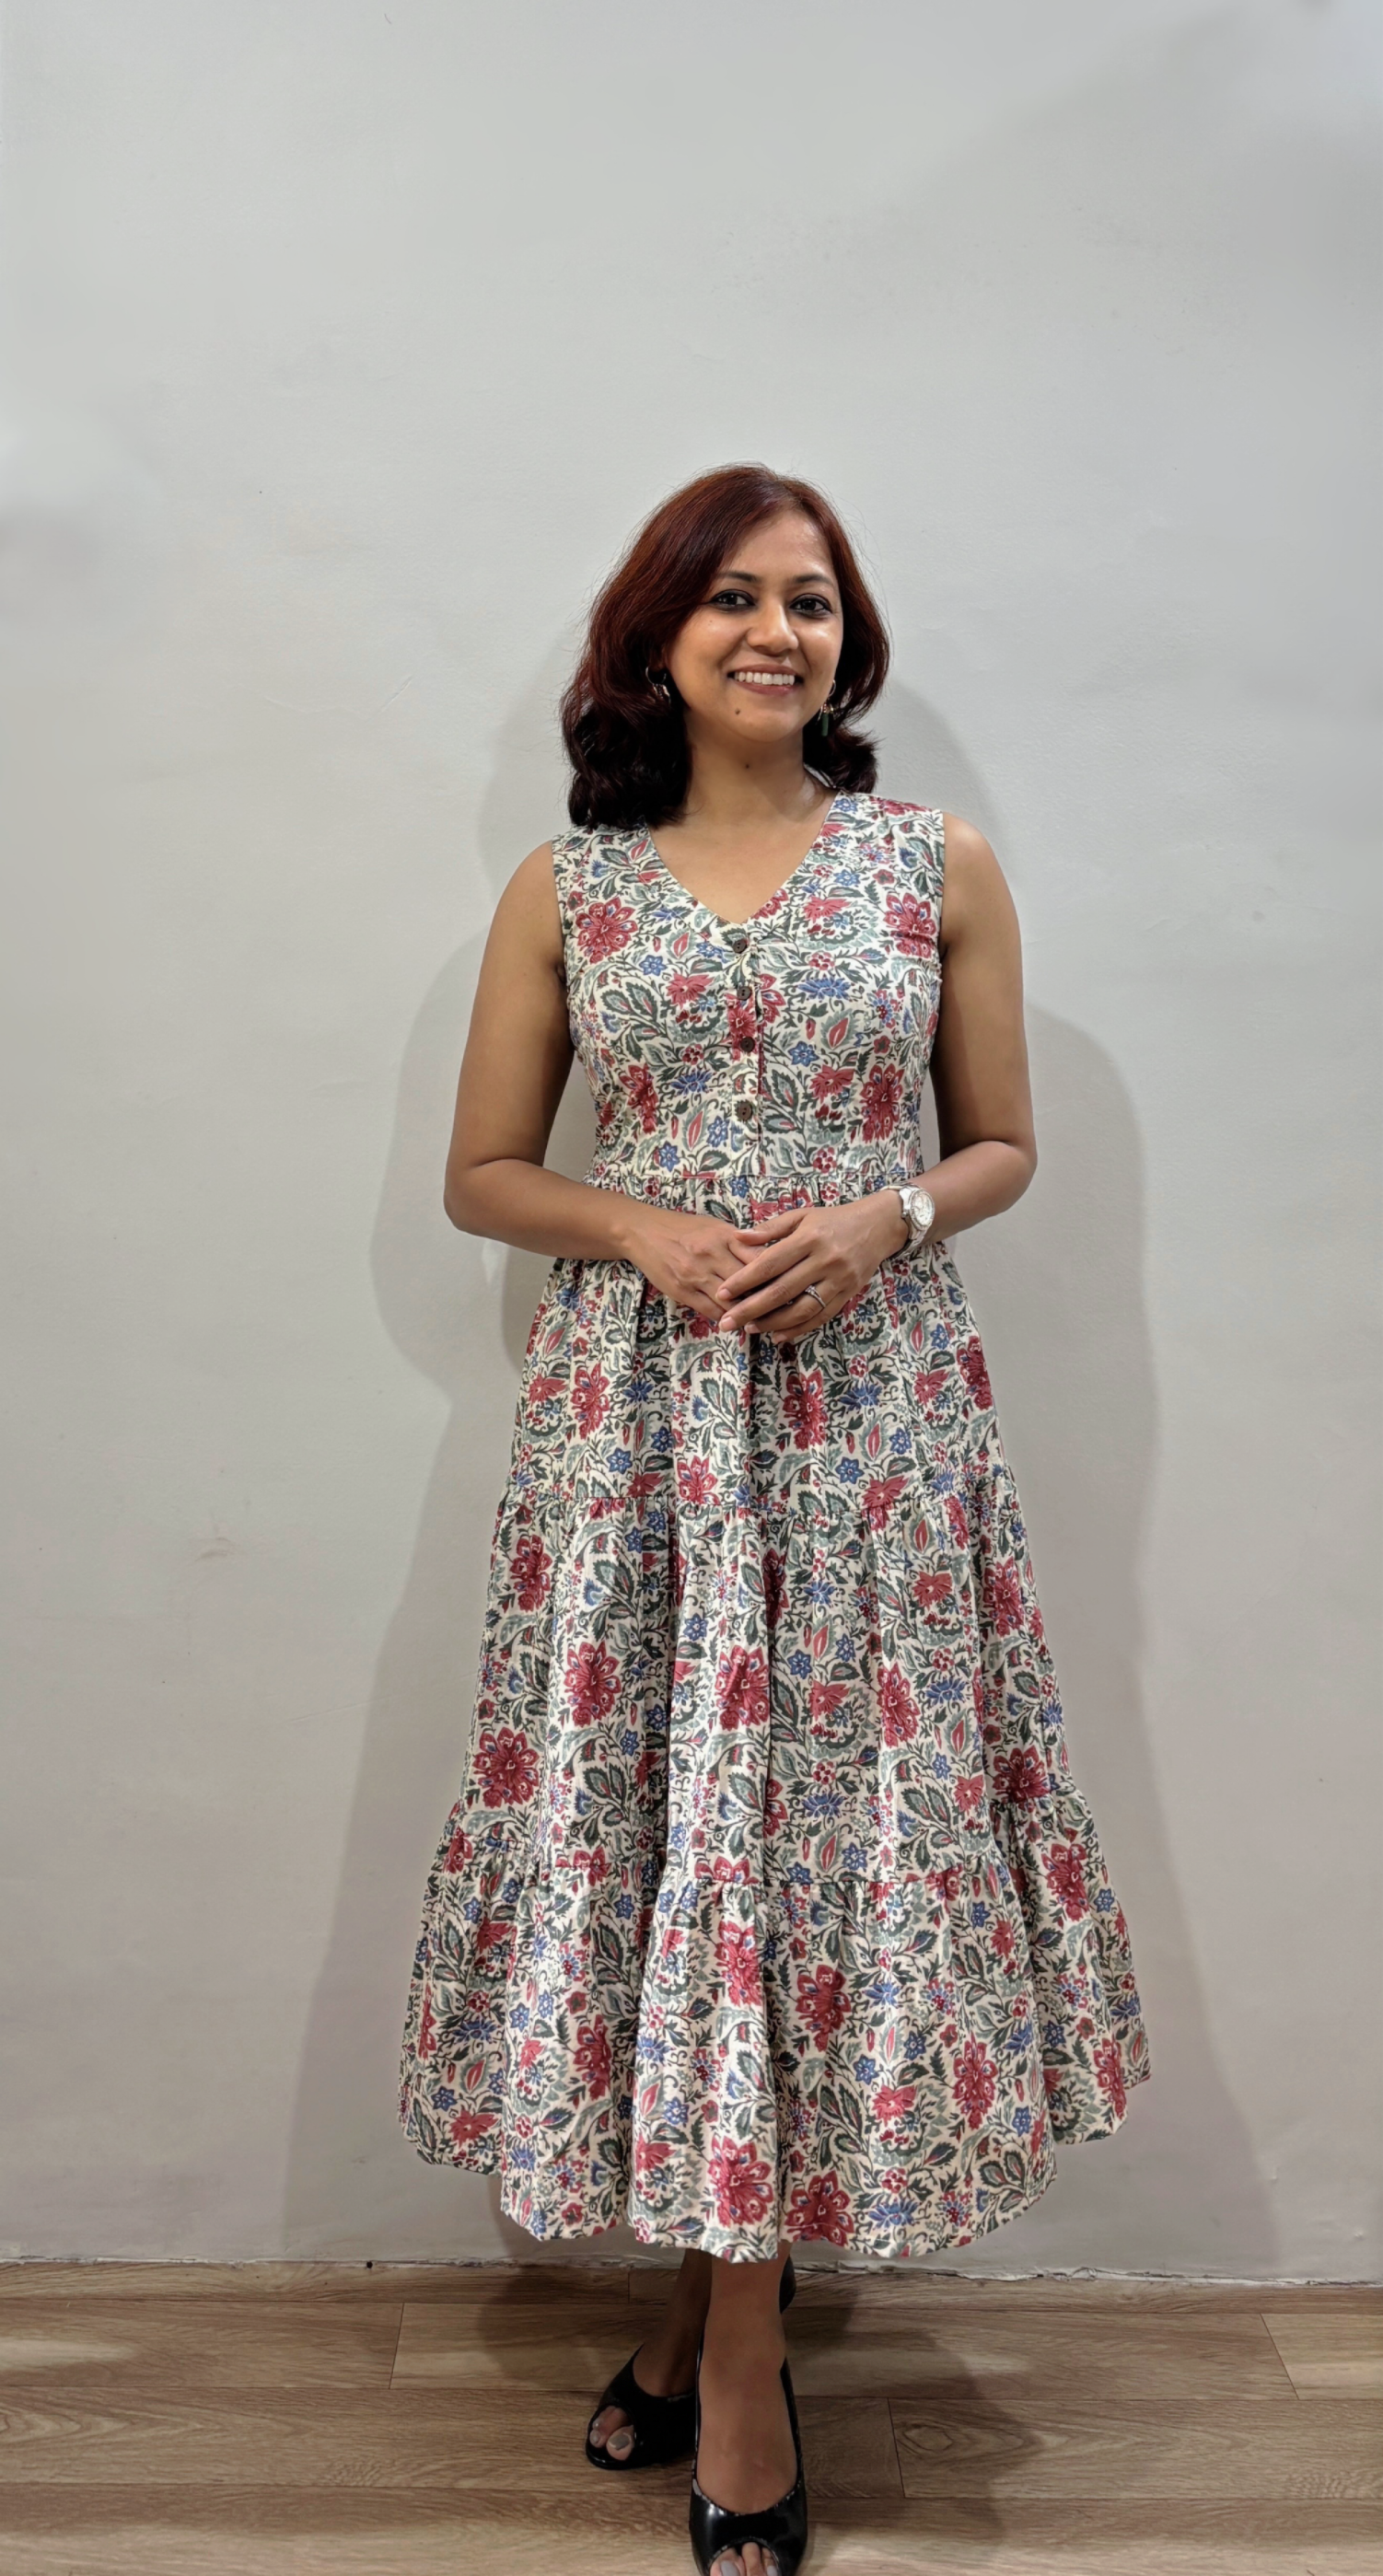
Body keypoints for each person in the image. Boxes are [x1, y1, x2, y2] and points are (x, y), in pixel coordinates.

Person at [399, 463, 1151, 2576]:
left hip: (869, 1418)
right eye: (729, 596)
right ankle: (717, 2304)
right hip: (635, 1430)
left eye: (808, 600)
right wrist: (639, 1224)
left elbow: (998, 1142)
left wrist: (882, 1215)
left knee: (815, 1843)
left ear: (846, 640)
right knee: (676, 1832)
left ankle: (732, 2347)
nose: (773, 631)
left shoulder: (931, 862)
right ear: (655, 638)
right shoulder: (569, 886)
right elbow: (482, 1172)